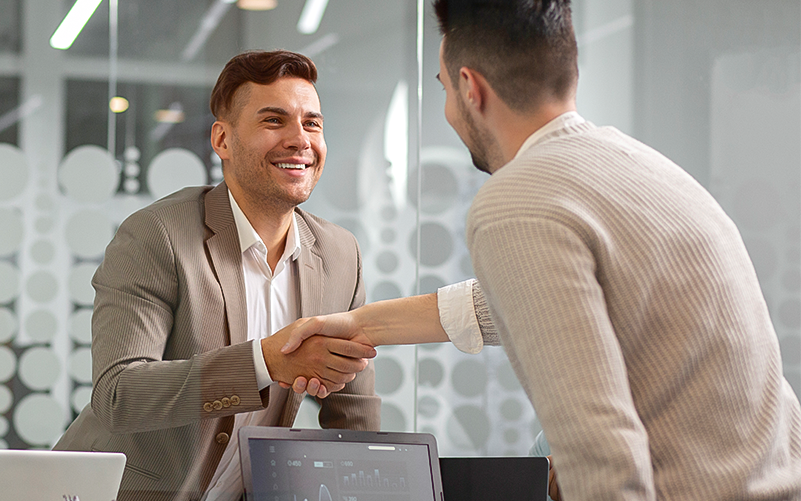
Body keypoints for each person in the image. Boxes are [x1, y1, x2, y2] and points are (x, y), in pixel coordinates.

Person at [280, 1, 801, 499]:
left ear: (470, 88)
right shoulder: (639, 168)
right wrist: (361, 325)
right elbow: (520, 299)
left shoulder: (518, 200)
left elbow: (599, 450)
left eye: (442, 89)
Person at [53, 50, 381, 501]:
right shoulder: (158, 235)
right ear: (222, 140)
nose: (300, 140)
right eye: (273, 121)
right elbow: (119, 394)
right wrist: (264, 362)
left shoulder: (340, 254)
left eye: (312, 123)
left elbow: (353, 412)